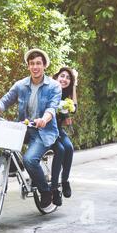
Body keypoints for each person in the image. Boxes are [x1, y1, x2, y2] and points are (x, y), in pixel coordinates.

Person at [0, 49, 63, 208]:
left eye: (38, 63)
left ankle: (46, 190)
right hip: (23, 128)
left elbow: (52, 108)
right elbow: (5, 100)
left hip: (43, 131)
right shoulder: (20, 85)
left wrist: (44, 119)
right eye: (32, 63)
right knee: (5, 146)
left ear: (44, 66)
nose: (35, 67)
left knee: (29, 159)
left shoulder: (54, 86)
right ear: (28, 66)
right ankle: (6, 172)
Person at [51, 67, 78, 201]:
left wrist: (74, 84)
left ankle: (65, 180)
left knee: (69, 148)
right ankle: (54, 188)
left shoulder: (65, 94)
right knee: (61, 150)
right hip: (47, 129)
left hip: (58, 130)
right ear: (56, 77)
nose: (65, 79)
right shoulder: (49, 88)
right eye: (62, 76)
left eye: (68, 78)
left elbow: (74, 109)